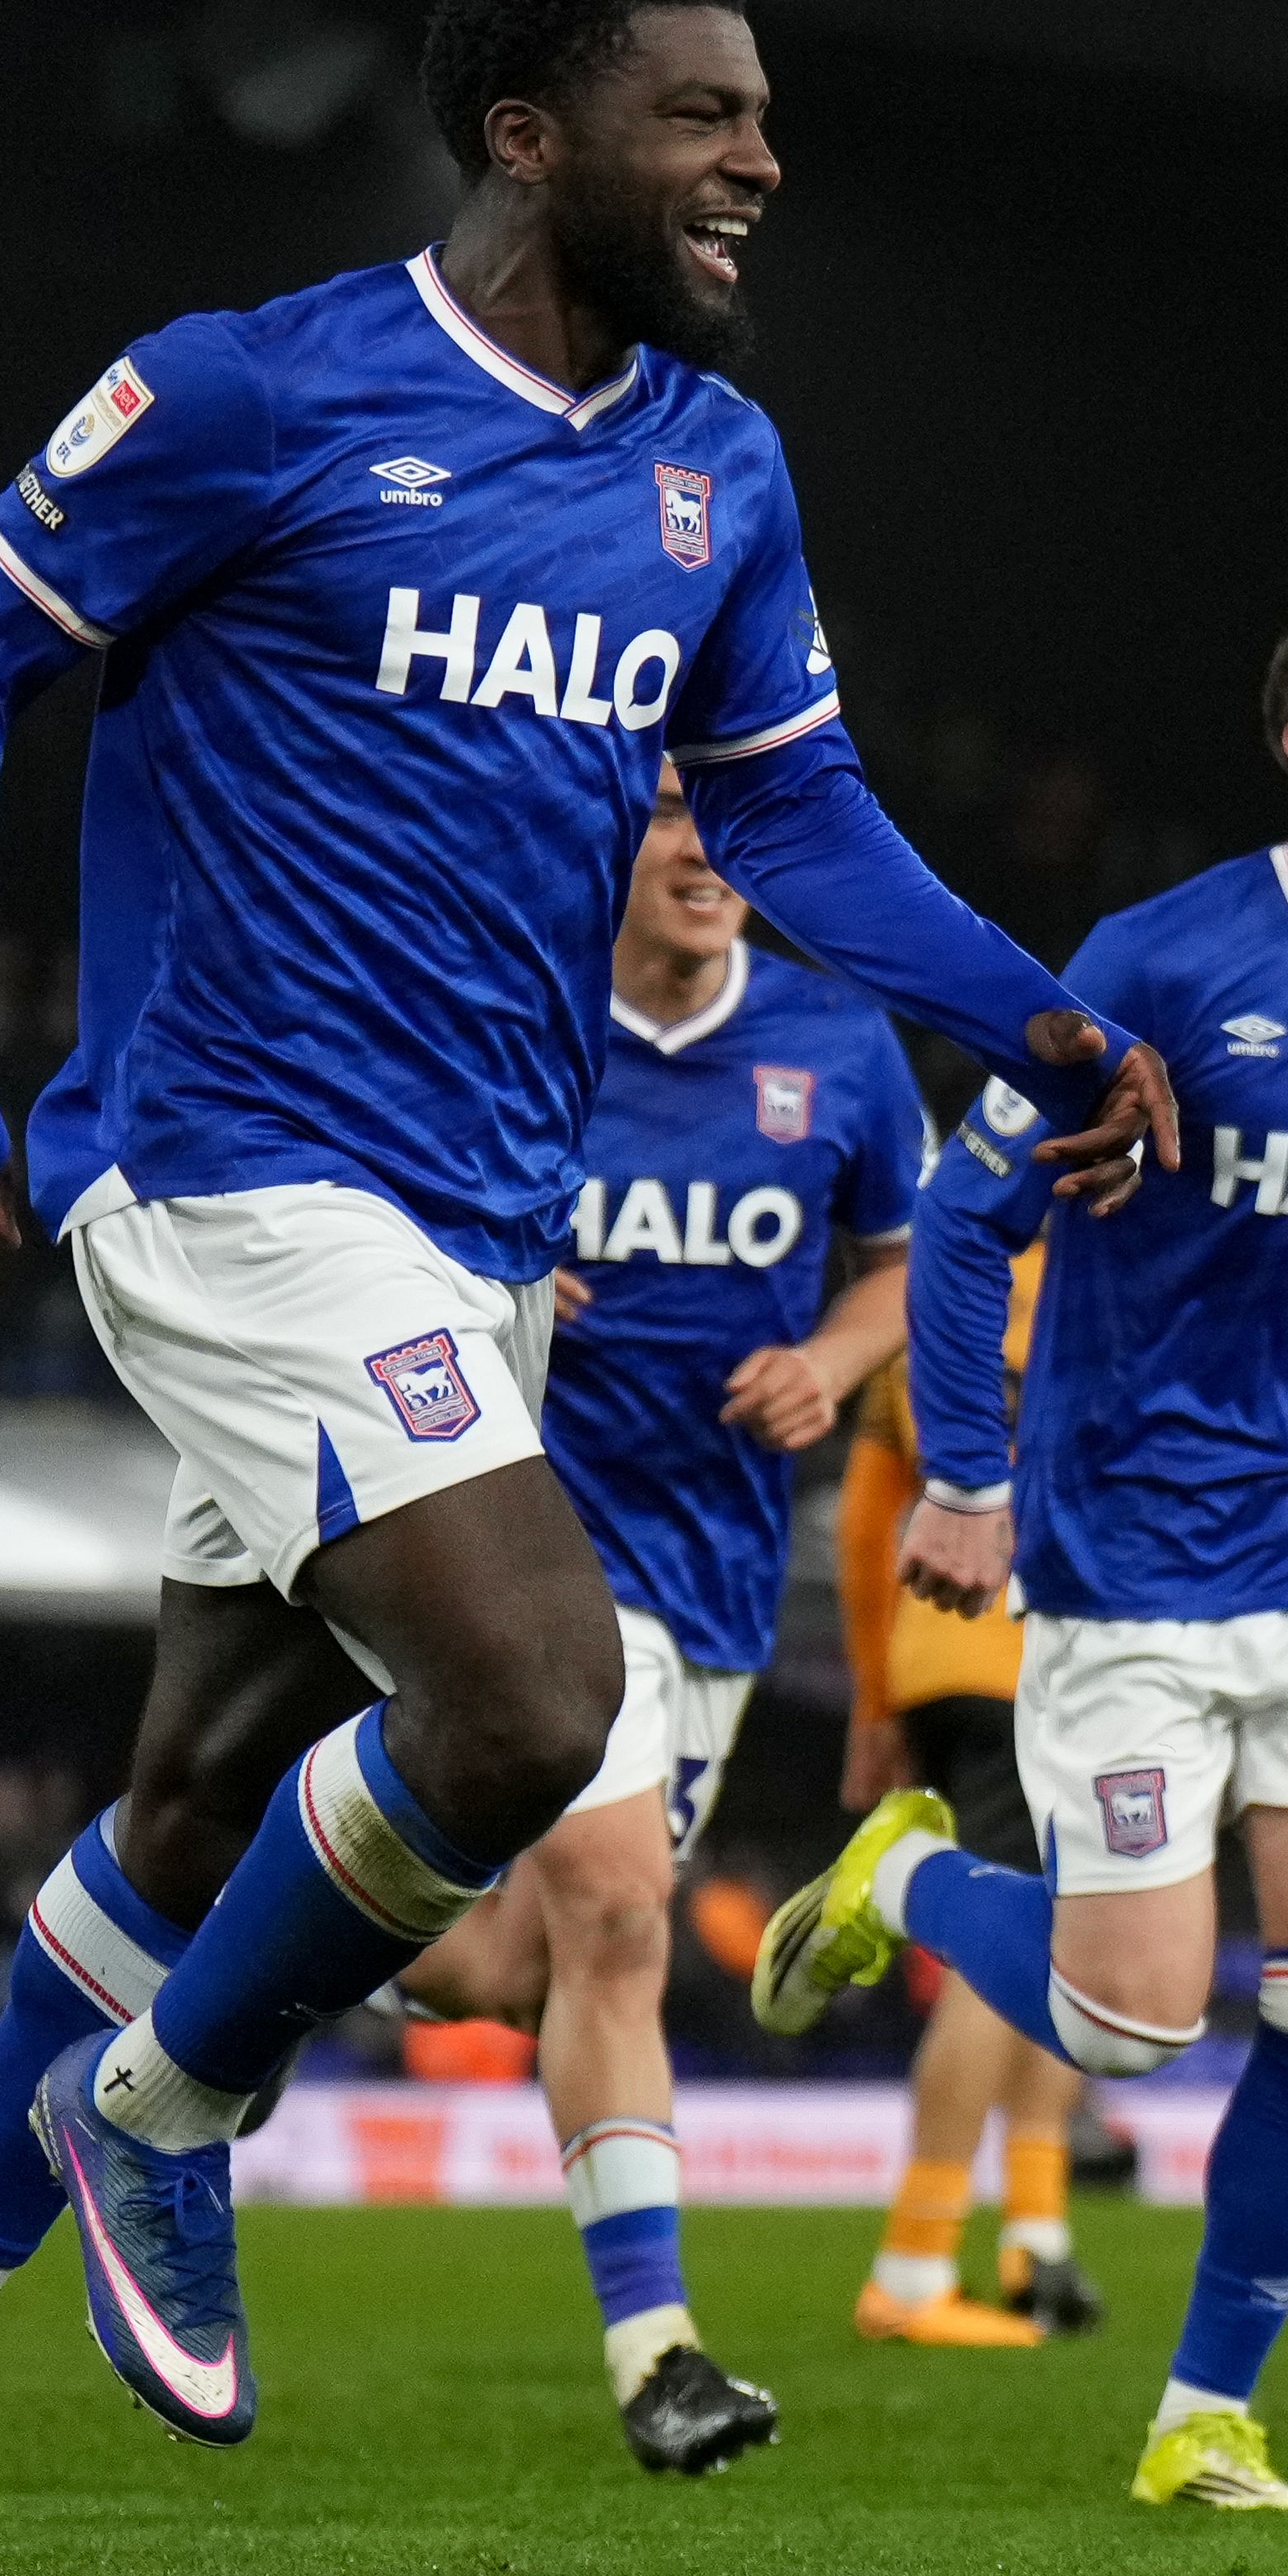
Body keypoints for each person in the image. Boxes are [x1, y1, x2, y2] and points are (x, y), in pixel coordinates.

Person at [0, 0, 1172, 2576]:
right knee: (530, 1695)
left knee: (198, 1810)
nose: (762, 154)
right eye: (702, 111)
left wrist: (1033, 1022)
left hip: (479, 1223)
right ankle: (172, 2117)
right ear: (527, 133)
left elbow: (786, 829)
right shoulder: (253, 390)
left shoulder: (712, 474)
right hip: (231, 1172)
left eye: (766, 109)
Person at [754, 583, 1288, 2515]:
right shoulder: (1167, 966)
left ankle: (1206, 2406)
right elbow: (961, 1224)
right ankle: (921, 1881)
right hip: (1130, 1561)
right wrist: (962, 1474)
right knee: (1127, 2014)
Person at [389, 764, 920, 2471]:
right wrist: (481, 1261)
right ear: (605, 830)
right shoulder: (514, 1011)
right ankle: (659, 2350)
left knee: (522, 1958)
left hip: (712, 1575)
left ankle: (276, 1930)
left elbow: (912, 1259)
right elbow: (358, 1212)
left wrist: (833, 1363)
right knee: (623, 1919)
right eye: (675, 809)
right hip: (522, 1533)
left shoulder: (838, 1049)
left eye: (734, 819)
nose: (704, 849)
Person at [832, 1261, 1097, 2346]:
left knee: (1065, 1948)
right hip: (1062, 1658)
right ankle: (914, 2258)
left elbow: (866, 1519)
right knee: (1016, 1954)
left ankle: (1036, 2234)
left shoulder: (941, 1279)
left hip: (947, 1645)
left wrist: (873, 1696)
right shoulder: (1129, 1261)